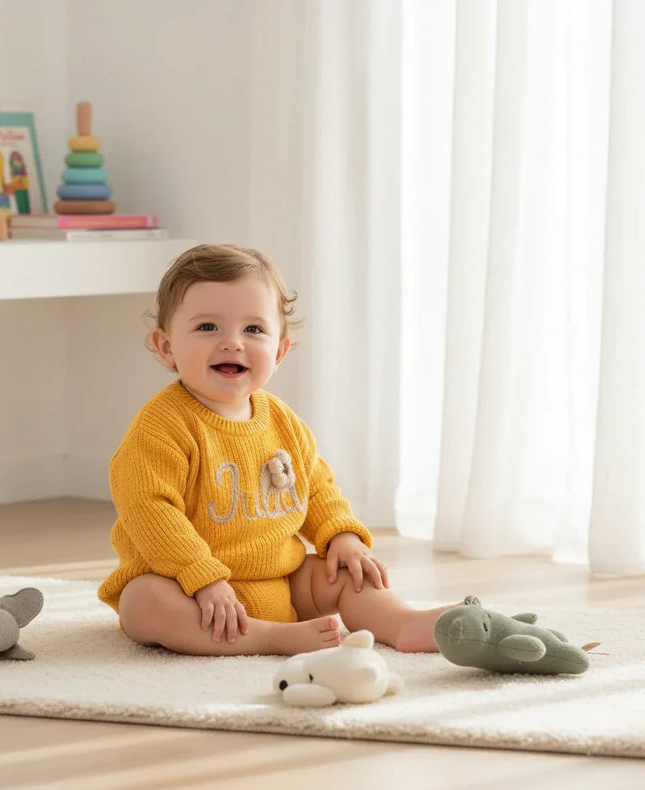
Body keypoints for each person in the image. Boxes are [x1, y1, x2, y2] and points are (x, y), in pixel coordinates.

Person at [98, 243, 476, 656]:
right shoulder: (161, 427)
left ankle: (400, 623)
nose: (232, 343)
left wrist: (342, 536)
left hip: (283, 580)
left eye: (253, 330)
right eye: (208, 327)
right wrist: (201, 576)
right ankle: (268, 638)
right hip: (190, 589)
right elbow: (149, 511)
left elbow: (316, 488)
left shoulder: (282, 420)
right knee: (144, 603)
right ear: (166, 346)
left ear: (279, 350)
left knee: (347, 573)